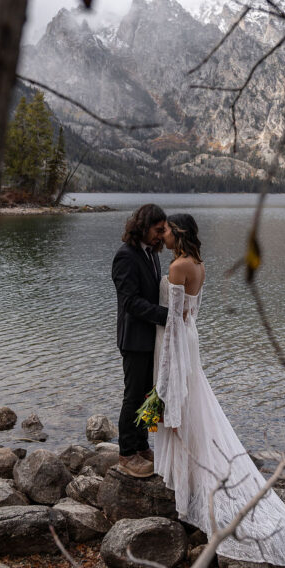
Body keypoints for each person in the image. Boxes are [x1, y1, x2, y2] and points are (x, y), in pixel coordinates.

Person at [154, 213, 285, 567]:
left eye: (165, 230)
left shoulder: (178, 267)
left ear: (177, 232)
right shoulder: (198, 264)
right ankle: (195, 480)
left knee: (184, 405)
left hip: (179, 341)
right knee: (197, 405)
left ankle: (193, 488)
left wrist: (165, 376)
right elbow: (190, 314)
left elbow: (173, 320)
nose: (162, 234)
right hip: (191, 336)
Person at [111, 203, 168, 478]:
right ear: (143, 227)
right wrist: (166, 316)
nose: (161, 235)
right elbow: (130, 302)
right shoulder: (125, 256)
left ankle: (142, 445)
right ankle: (126, 453)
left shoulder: (151, 254)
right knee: (133, 396)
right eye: (158, 230)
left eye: (163, 230)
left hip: (151, 338)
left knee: (149, 395)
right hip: (134, 340)